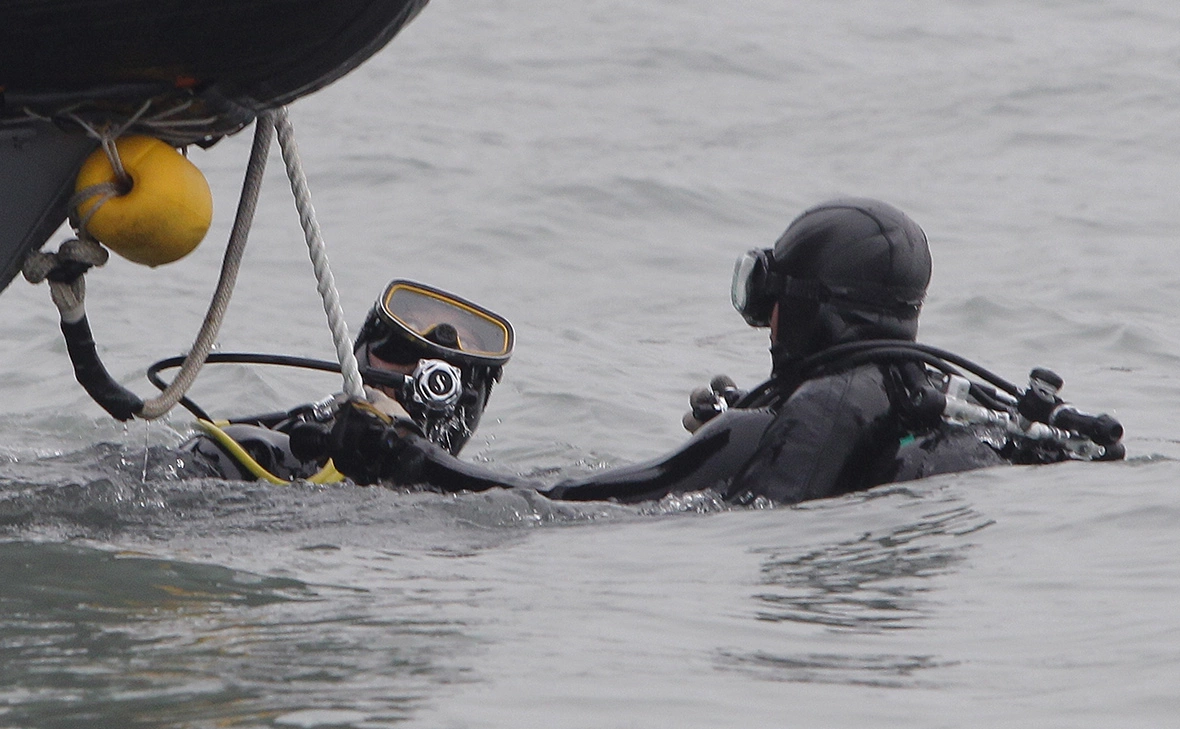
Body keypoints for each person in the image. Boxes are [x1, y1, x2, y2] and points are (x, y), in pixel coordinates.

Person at [321, 198, 1124, 504]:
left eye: (769, 299)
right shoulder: (928, 393)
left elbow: (568, 505)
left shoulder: (782, 423)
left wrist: (404, 457)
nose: (765, 321)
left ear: (804, 309)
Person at [181, 279, 515, 482]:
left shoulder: (482, 495)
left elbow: (561, 499)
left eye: (446, 373)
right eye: (400, 348)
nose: (420, 374)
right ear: (362, 356)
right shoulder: (259, 453)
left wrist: (407, 448)